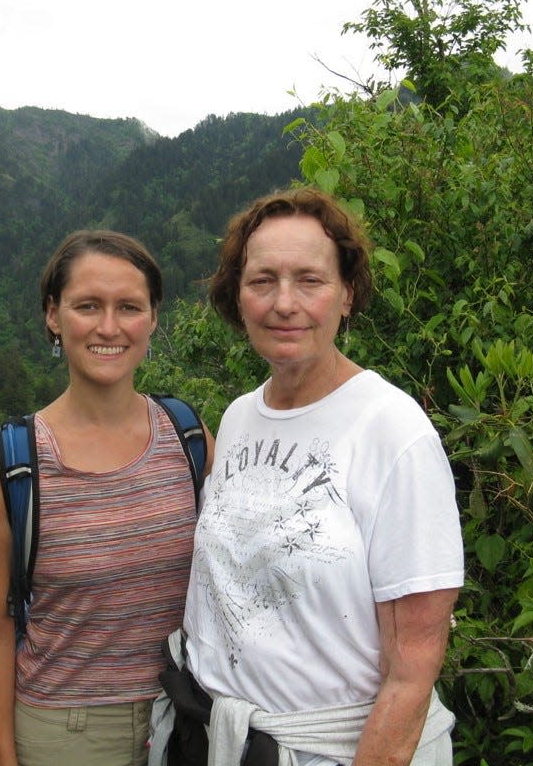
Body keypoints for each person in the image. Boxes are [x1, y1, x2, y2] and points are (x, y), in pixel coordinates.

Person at [159, 188, 464, 766]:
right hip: (223, 739)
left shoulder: (392, 431)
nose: (284, 303)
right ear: (238, 296)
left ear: (347, 293)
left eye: (310, 280)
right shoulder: (243, 416)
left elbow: (413, 669)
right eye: (262, 281)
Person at [0, 230, 214, 766]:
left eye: (128, 307)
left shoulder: (190, 438)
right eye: (87, 306)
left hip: (189, 720)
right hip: (63, 733)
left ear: (152, 318)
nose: (108, 327)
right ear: (53, 316)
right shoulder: (10, 463)